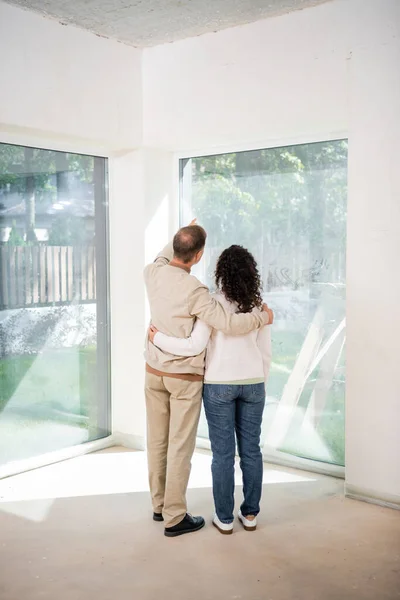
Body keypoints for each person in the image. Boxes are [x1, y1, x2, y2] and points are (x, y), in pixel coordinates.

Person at [144, 222, 273, 538]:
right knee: (181, 446)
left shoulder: (152, 272)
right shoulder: (196, 292)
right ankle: (176, 517)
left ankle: (161, 506)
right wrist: (263, 317)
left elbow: (166, 254)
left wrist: (157, 337)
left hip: (154, 372)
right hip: (184, 377)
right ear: (199, 255)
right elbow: (228, 324)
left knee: (158, 441)